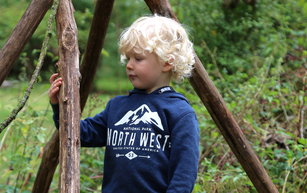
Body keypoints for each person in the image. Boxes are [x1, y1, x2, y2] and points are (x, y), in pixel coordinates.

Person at [48, 14, 200, 192]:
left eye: (138, 58)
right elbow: (81, 134)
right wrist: (60, 106)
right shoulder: (117, 107)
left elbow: (184, 172)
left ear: (167, 63)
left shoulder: (180, 113)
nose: (129, 65)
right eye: (128, 58)